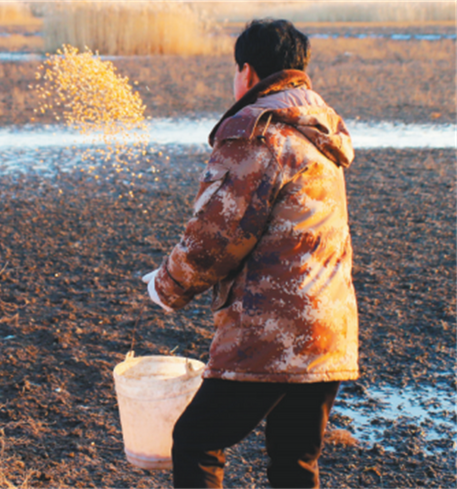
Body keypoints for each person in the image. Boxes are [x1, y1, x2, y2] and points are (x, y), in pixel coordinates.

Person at [141, 19, 359, 489]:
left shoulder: (257, 132)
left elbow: (216, 238)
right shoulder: (322, 132)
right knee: (293, 459)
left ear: (247, 71)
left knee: (198, 440)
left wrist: (165, 286)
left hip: (271, 333)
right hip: (328, 333)